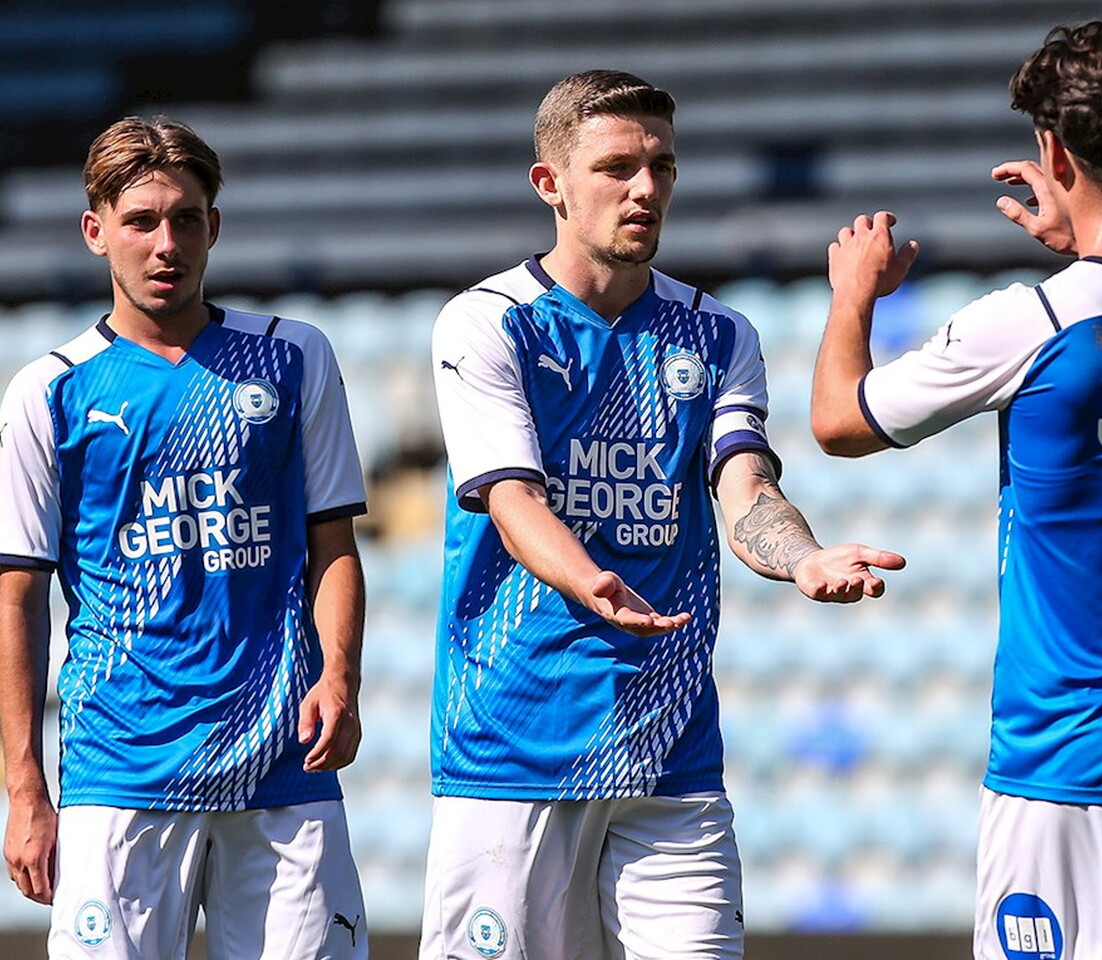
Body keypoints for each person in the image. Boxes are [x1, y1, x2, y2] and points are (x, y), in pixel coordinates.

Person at [811, 21, 1102, 960]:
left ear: (1054, 156)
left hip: (1067, 757)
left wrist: (854, 291)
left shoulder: (1031, 321)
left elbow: (839, 422)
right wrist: (1087, 247)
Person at [424, 69, 905, 960]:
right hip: (513, 747)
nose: (645, 189)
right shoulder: (488, 323)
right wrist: (590, 580)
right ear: (550, 183)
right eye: (617, 168)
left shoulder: (719, 335)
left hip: (669, 751)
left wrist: (800, 557)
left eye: (662, 167)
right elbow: (513, 500)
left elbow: (744, 486)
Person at [0, 117, 369, 959]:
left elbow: (334, 546)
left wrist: (340, 678)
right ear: (95, 231)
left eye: (186, 219)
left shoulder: (293, 358)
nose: (166, 244)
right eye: (140, 221)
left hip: (281, 762)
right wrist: (24, 789)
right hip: (121, 767)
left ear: (214, 226)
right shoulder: (48, 392)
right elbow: (16, 596)